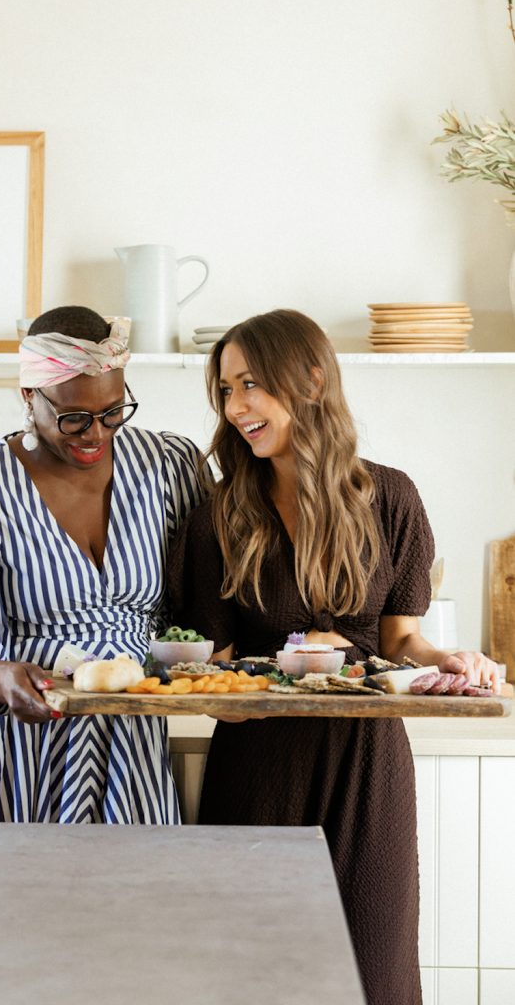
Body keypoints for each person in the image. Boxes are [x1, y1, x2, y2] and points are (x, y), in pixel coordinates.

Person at [168, 309, 500, 1005]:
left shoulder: (392, 498)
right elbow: (212, 662)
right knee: (252, 979)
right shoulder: (219, 515)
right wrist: (223, 696)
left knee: (373, 976)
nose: (234, 409)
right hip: (258, 768)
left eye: (250, 385)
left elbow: (399, 641)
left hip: (366, 768)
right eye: (225, 390)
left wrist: (451, 658)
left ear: (311, 378)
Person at [0, 306, 206, 823]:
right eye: (73, 417)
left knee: (132, 900)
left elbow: (210, 596)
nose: (95, 435)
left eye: (113, 411)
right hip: (11, 756)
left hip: (128, 752)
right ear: (29, 396)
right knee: (9, 901)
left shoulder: (168, 468)